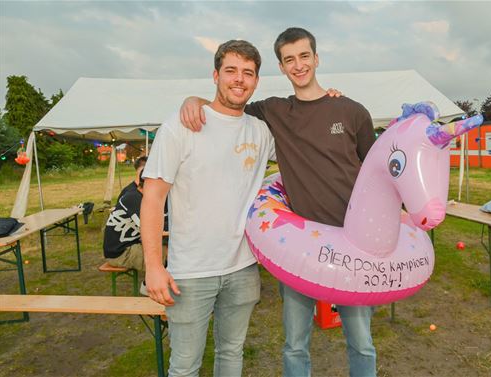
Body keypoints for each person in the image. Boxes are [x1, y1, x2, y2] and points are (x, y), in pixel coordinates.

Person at [180, 27, 377, 377]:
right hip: (299, 249)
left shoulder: (352, 112)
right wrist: (192, 100)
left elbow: (374, 171)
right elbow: (227, 103)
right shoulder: (273, 112)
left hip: (352, 244)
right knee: (294, 344)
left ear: (316, 59)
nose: (298, 65)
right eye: (289, 60)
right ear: (282, 68)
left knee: (361, 341)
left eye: (304, 56)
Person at [141, 40, 276, 377]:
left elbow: (307, 146)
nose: (239, 79)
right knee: (185, 366)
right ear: (215, 75)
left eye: (248, 73)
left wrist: (330, 102)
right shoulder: (181, 126)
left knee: (231, 355)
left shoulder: (260, 132)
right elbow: (153, 197)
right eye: (231, 70)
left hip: (243, 266)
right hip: (190, 272)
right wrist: (154, 266)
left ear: (256, 81)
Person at [103, 171, 145, 275]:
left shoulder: (141, 196)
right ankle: (150, 285)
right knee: (167, 254)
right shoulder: (133, 198)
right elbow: (151, 227)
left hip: (131, 245)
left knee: (169, 249)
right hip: (120, 253)